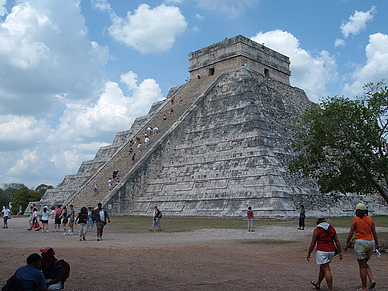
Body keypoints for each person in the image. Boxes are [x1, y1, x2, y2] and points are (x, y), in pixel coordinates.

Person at [345, 203, 379, 291]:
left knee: (362, 266)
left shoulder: (355, 220)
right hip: (371, 242)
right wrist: (377, 244)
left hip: (361, 243)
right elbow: (374, 233)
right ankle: (372, 279)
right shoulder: (370, 219)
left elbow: (351, 232)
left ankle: (364, 287)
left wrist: (347, 243)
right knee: (364, 263)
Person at [307, 217, 343, 291]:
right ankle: (318, 283)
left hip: (322, 250)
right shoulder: (332, 228)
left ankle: (331, 289)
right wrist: (340, 252)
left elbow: (312, 243)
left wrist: (309, 253)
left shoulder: (317, 230)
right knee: (323, 268)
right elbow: (337, 241)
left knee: (326, 269)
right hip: (331, 251)